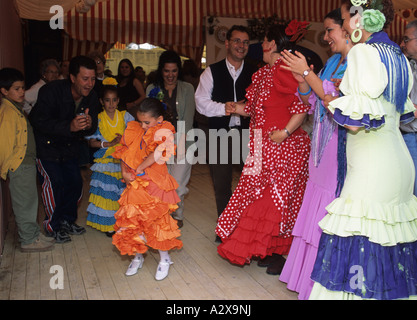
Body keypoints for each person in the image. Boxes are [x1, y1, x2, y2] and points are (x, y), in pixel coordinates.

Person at [309, 0, 417, 300]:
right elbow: (395, 110)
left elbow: (355, 125)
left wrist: (334, 103)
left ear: (360, 19)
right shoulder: (397, 54)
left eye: (344, 19)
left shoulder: (361, 53)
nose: (343, 26)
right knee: (390, 252)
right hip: (399, 166)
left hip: (372, 170)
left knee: (359, 252)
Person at [215, 22, 311, 274]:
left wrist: (285, 132)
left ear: (272, 45)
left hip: (284, 147)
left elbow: (303, 107)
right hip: (261, 146)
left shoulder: (286, 71)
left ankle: (279, 251)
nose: (260, 47)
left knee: (275, 203)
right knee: (257, 199)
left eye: (264, 41)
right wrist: (234, 107)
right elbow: (253, 109)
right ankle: (270, 249)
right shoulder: (263, 73)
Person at [278, 8, 353, 299]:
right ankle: (304, 281)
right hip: (319, 144)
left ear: (347, 30)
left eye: (330, 30)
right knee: (314, 208)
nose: (326, 37)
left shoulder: (358, 65)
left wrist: (307, 73)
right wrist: (301, 81)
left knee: (329, 210)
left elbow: (337, 101)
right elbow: (312, 102)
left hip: (339, 145)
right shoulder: (333, 60)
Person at [195, 25, 257, 242]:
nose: (241, 46)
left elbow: (262, 102)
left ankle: (248, 228)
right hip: (219, 135)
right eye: (237, 41)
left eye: (246, 42)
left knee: (252, 184)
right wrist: (227, 107)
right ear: (227, 43)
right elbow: (201, 103)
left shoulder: (255, 72)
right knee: (221, 186)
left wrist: (247, 106)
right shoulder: (211, 71)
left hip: (250, 137)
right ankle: (225, 229)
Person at [29, 55, 100, 244]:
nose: (90, 84)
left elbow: (92, 128)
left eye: (93, 79)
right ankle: (53, 226)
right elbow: (38, 121)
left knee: (75, 184)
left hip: (70, 150)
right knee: (55, 185)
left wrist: (90, 124)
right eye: (85, 79)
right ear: (72, 77)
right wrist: (69, 126)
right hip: (47, 150)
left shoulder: (92, 97)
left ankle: (68, 221)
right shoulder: (50, 92)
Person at [111, 98, 183, 280]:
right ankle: (137, 257)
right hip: (135, 183)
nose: (142, 126)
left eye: (147, 122)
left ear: (159, 119)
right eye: (140, 121)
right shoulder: (135, 129)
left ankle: (165, 259)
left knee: (157, 222)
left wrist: (141, 167)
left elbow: (159, 153)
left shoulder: (165, 130)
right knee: (133, 222)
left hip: (156, 184)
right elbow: (124, 152)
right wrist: (124, 172)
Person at [0, 68, 55, 252]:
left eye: (23, 87)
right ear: (4, 91)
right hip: (19, 164)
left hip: (27, 163)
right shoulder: (7, 112)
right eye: (16, 89)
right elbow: (5, 143)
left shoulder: (16, 108)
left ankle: (32, 234)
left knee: (31, 201)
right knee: (25, 203)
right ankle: (28, 240)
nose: (22, 91)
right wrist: (6, 168)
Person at [146, 50, 196, 228]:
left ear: (179, 71)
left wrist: (180, 145)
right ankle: (165, 215)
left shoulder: (187, 89)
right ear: (161, 70)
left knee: (178, 185)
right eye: (166, 71)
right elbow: (149, 119)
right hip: (159, 145)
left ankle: (177, 213)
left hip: (184, 142)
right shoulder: (152, 89)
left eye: (174, 71)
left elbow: (188, 119)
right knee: (161, 184)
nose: (170, 75)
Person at [85, 78, 134, 236]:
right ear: (101, 101)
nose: (111, 104)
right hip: (106, 162)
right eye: (107, 100)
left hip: (123, 161)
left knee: (122, 193)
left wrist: (125, 140)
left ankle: (124, 223)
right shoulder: (98, 119)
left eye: (114, 100)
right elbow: (92, 143)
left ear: (118, 101)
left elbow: (136, 133)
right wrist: (110, 143)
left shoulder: (125, 116)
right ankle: (109, 225)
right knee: (108, 193)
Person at [400, 20, 417, 196]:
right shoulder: (408, 64)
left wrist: (407, 108)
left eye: (406, 39)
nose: (402, 44)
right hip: (404, 135)